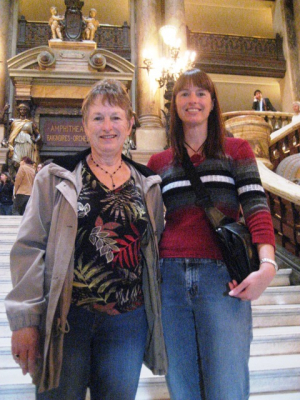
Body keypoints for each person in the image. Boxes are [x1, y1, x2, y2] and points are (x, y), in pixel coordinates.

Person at [5, 79, 167, 399]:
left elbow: (155, 250)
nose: (107, 126)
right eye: (98, 118)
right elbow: (29, 248)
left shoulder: (148, 184)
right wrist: (25, 320)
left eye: (116, 117)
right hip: (68, 320)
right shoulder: (55, 177)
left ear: (130, 123)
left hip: (127, 324)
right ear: (85, 125)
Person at [147, 69, 277, 400]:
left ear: (212, 101)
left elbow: (256, 207)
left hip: (221, 278)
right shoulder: (159, 162)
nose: (193, 100)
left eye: (201, 93)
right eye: (184, 94)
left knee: (227, 385)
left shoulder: (237, 150)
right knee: (182, 385)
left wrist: (267, 265)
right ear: (174, 104)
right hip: (171, 279)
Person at [8, 103, 41, 177]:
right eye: (21, 109)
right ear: (18, 111)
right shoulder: (14, 121)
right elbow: (3, 121)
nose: (22, 111)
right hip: (17, 142)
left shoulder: (30, 123)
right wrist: (4, 110)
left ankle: (26, 176)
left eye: (24, 109)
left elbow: (38, 135)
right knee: (16, 161)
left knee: (26, 162)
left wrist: (35, 140)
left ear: (27, 111)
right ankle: (17, 177)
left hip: (27, 143)